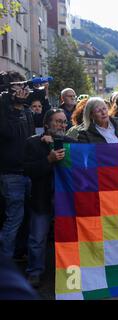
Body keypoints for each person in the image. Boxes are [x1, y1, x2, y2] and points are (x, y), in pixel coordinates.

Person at [24, 109, 76, 287]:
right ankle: (35, 272)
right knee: (37, 238)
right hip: (42, 199)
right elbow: (28, 170)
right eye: (58, 121)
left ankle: (69, 273)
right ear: (46, 124)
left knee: (69, 238)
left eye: (64, 122)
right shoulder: (33, 143)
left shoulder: (71, 143)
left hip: (66, 201)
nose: (62, 125)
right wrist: (48, 159)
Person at [0, 71, 34, 259]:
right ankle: (5, 262)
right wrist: (15, 109)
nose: (23, 90)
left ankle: (20, 254)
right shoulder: (5, 109)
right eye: (18, 86)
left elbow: (29, 139)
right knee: (14, 219)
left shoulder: (25, 109)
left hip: (28, 171)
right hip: (10, 173)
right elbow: (7, 134)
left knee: (27, 217)